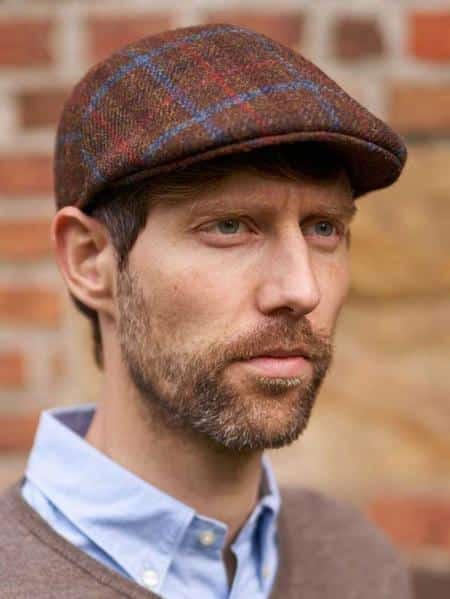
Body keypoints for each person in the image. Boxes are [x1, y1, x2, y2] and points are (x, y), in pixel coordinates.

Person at [0, 23, 412, 598]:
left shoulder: (357, 563)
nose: (302, 290)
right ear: (91, 261)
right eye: (230, 226)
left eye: (323, 228)